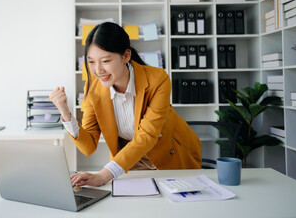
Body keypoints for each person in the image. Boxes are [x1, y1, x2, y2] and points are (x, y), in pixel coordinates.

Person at [49, 22, 201, 188]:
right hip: (129, 162)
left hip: (172, 155)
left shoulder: (158, 79)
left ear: (126, 56)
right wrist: (65, 113)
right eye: (91, 62)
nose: (98, 70)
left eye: (105, 61)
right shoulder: (93, 88)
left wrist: (103, 175)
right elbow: (88, 146)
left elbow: (147, 136)